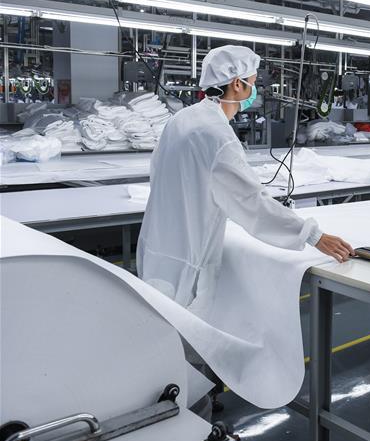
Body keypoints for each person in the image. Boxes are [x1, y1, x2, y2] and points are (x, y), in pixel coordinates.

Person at [137, 45, 354, 311]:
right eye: (253, 82)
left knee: (157, 318)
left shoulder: (181, 119)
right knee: (184, 325)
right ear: (237, 84)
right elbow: (252, 203)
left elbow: (163, 173)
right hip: (188, 258)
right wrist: (312, 235)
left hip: (157, 247)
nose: (256, 90)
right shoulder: (218, 135)